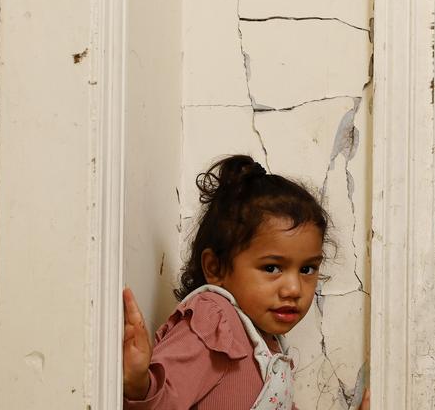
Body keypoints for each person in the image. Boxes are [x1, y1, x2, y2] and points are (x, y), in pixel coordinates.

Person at [122, 155, 328, 410]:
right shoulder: (214, 319)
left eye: (307, 269)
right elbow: (165, 400)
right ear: (215, 268)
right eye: (272, 267)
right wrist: (139, 384)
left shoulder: (264, 343)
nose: (294, 289)